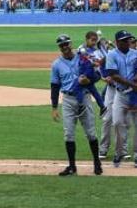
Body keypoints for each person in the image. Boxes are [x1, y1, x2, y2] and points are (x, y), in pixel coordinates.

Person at [50, 35, 103, 176]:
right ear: (59, 47)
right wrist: (54, 107)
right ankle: (72, 167)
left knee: (91, 132)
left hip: (85, 97)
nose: (65, 47)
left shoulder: (83, 58)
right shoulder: (56, 64)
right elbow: (55, 86)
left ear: (71, 43)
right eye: (61, 45)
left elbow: (97, 75)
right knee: (69, 134)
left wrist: (89, 81)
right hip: (68, 100)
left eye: (66, 43)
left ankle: (97, 163)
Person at [105, 30, 137, 167]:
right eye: (124, 40)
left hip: (135, 94)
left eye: (129, 40)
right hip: (121, 93)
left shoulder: (135, 54)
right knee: (117, 122)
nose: (128, 42)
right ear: (117, 42)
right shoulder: (111, 55)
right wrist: (132, 84)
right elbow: (113, 75)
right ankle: (120, 152)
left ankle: (136, 154)